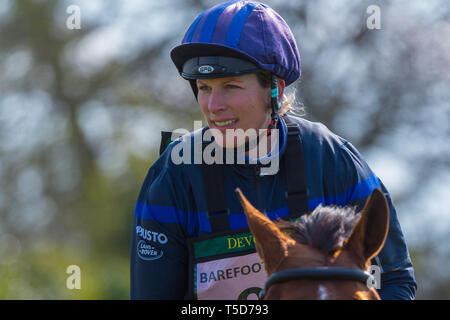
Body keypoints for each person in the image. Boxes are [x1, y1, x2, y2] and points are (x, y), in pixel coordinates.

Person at [130, 0, 417, 300]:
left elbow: (395, 281)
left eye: (231, 86)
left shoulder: (333, 158)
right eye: (204, 88)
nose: (214, 106)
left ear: (275, 90)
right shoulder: (172, 175)